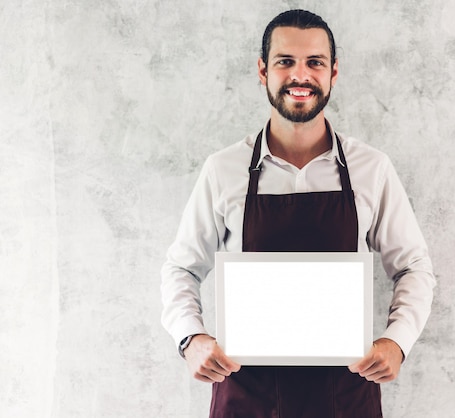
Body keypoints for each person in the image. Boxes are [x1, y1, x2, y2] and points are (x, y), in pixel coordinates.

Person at [161, 9, 435, 418]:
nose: (300, 75)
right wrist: (191, 338)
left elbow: (414, 267)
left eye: (315, 63)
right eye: (285, 61)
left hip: (345, 397)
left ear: (334, 72)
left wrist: (397, 342)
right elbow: (181, 267)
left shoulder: (371, 168)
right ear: (262, 70)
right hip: (245, 397)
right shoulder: (223, 169)